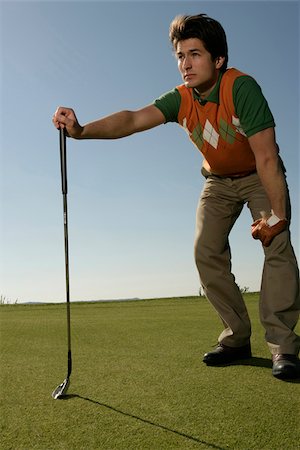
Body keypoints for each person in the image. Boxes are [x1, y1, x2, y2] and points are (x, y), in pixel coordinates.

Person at [52, 14, 300, 380]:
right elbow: (134, 119)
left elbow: (266, 156)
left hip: (258, 177)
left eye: (195, 54)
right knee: (205, 251)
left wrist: (278, 216)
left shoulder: (241, 88)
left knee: (276, 245)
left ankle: (284, 346)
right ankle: (236, 337)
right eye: (180, 55)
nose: (185, 63)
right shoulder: (181, 99)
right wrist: (81, 130)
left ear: (218, 59)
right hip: (217, 181)